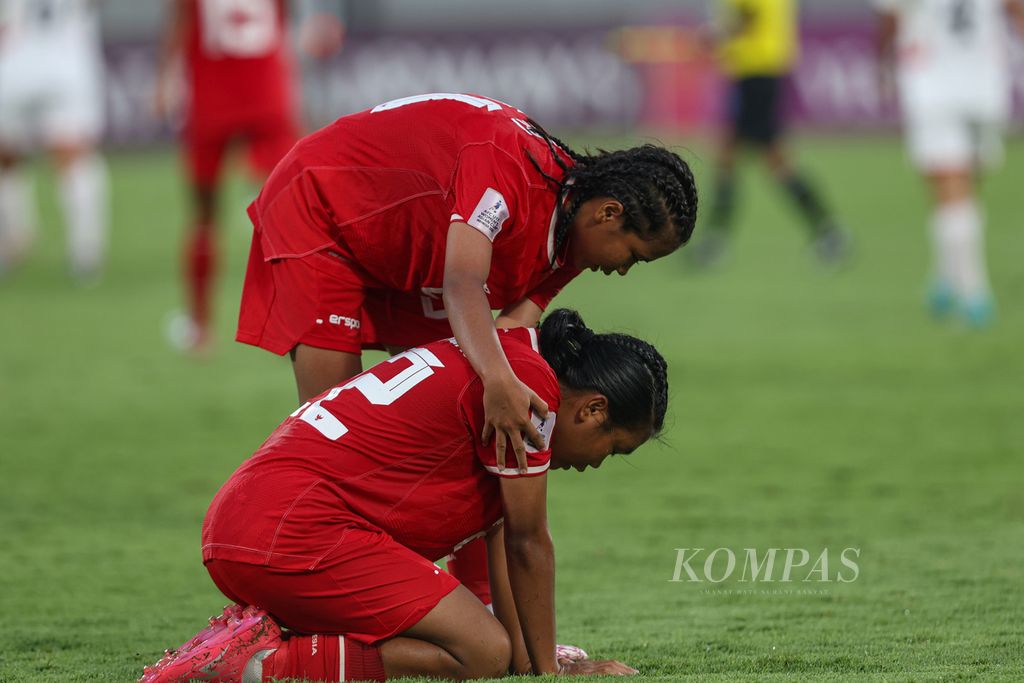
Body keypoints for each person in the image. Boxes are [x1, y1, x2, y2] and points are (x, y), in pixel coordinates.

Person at [140, 309, 664, 682]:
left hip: (255, 521)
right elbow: (530, 543)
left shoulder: (512, 358)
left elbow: (506, 537)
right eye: (612, 448)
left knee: (494, 649)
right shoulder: (528, 393)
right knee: (480, 653)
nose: (597, 463)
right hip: (293, 531)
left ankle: (259, 636)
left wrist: (536, 662)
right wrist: (548, 673)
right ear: (592, 410)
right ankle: (256, 666)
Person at [154, 0, 343, 352]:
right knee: (295, 213)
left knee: (204, 216)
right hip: (267, 92)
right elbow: (295, 21)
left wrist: (163, 80)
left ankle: (199, 327)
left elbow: (177, 25)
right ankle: (309, 321)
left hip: (211, 96)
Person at [876, 0, 1024, 327]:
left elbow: (889, 18)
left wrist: (882, 65)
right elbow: (1016, 10)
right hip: (985, 85)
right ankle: (949, 277)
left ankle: (974, 293)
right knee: (964, 186)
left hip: (933, 85)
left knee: (948, 186)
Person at [689, 0, 847, 267]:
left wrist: (715, 34)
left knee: (768, 161)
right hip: (756, 72)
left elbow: (749, 16)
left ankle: (829, 232)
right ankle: (716, 241)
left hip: (757, 72)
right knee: (737, 158)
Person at [0, 0, 109, 283]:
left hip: (14, 58)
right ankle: (86, 252)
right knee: (74, 155)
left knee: (6, 155)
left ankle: (14, 237)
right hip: (68, 60)